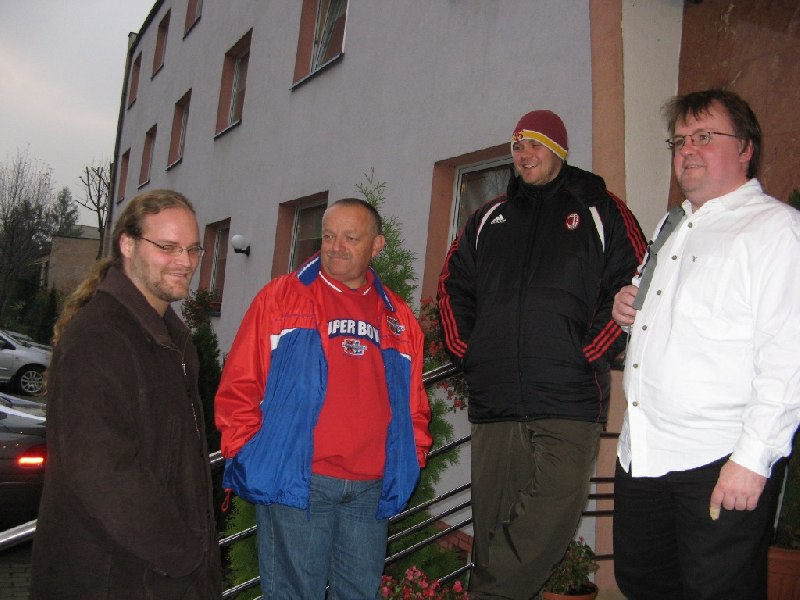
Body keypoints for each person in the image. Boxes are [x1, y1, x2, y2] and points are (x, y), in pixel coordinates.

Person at [438, 109, 646, 599]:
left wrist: (590, 350)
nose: (523, 154)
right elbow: (452, 285)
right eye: (516, 146)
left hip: (569, 396)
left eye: (534, 144)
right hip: (496, 400)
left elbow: (638, 278)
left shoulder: (599, 208)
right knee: (493, 529)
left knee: (550, 518)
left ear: (558, 151)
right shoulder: (488, 217)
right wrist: (471, 350)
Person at [612, 89, 800, 599]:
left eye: (704, 136)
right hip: (643, 453)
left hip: (717, 460)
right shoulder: (671, 224)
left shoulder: (776, 230)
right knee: (643, 583)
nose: (688, 150)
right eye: (679, 140)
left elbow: (788, 357)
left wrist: (753, 460)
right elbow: (675, 321)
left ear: (746, 149)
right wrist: (629, 311)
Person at [215, 198, 432, 599]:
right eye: (329, 236)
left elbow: (414, 404)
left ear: (377, 245)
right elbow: (239, 384)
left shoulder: (398, 317)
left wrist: (411, 457)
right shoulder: (281, 298)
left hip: (370, 489)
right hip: (299, 482)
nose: (336, 247)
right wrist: (250, 453)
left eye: (350, 238)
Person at [31, 190, 222, 599]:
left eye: (193, 248)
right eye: (167, 247)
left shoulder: (169, 338)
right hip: (113, 577)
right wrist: (184, 552)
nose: (186, 261)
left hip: (157, 574)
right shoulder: (99, 337)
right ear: (128, 245)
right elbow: (101, 472)